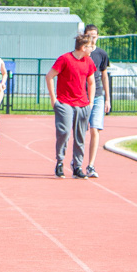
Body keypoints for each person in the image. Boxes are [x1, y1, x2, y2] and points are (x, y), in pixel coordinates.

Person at [45, 34, 96, 179]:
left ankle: (77, 166)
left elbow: (91, 82)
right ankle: (60, 162)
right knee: (64, 132)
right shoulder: (65, 59)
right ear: (84, 47)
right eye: (90, 46)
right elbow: (49, 76)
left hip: (83, 104)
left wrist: (90, 102)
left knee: (80, 136)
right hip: (65, 102)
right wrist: (53, 99)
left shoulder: (89, 61)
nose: (92, 48)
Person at [84, 25, 111, 178]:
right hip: (82, 95)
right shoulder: (81, 53)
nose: (92, 38)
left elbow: (104, 76)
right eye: (89, 35)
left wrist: (107, 98)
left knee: (95, 129)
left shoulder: (101, 54)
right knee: (80, 130)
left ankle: (91, 165)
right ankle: (77, 161)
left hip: (98, 95)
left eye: (94, 36)